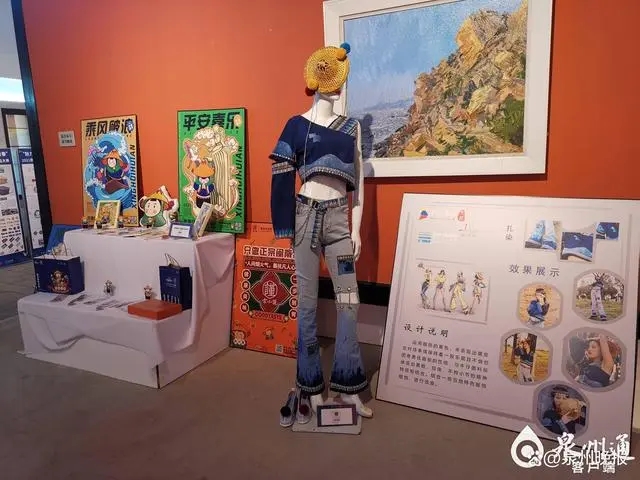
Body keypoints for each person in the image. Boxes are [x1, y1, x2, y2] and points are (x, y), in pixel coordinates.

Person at [269, 42, 372, 421]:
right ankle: (309, 386)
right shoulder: (296, 126)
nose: (338, 87)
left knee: (349, 302)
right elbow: (281, 177)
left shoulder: (351, 127)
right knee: (308, 307)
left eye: (340, 81)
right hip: (306, 219)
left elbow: (358, 183)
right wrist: (284, 226)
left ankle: (348, 386)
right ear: (317, 83)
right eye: (332, 80)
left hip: (339, 223)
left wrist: (356, 231)